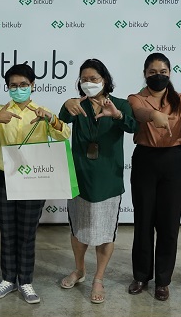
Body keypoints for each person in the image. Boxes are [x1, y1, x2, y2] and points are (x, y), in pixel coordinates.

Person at [0, 63, 71, 304]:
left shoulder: (42, 111)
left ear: (32, 85)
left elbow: (64, 134)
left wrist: (51, 119)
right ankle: (8, 279)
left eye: (23, 84)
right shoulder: (0, 110)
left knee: (27, 232)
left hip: (33, 179)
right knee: (7, 232)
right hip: (4, 178)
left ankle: (25, 281)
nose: (18, 88)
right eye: (13, 85)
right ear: (7, 87)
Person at [58, 59, 137, 304]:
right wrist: (66, 104)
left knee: (105, 232)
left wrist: (117, 115)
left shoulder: (120, 104)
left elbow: (133, 126)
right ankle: (79, 269)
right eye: (84, 79)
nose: (88, 83)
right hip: (80, 176)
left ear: (105, 80)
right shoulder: (77, 105)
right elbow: (61, 121)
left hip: (108, 178)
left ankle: (99, 277)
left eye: (93, 79)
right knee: (78, 229)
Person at [126, 53, 181, 301]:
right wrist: (153, 116)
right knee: (143, 221)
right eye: (152, 72)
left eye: (163, 72)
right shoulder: (136, 98)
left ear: (169, 73)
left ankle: (163, 281)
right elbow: (138, 112)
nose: (158, 76)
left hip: (173, 161)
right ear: (145, 74)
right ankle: (140, 276)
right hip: (145, 160)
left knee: (169, 224)